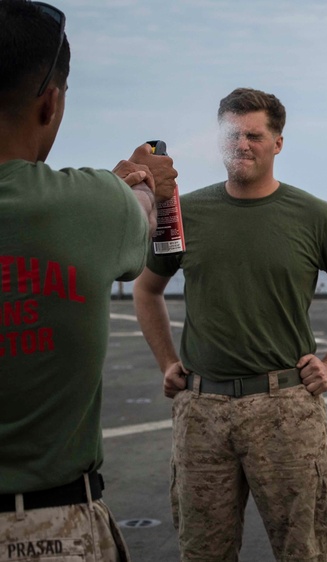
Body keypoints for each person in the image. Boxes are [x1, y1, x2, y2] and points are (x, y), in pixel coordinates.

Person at [132, 88, 327, 561]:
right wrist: (168, 360)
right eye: (232, 135)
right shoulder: (183, 214)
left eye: (254, 135)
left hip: (285, 411)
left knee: (302, 551)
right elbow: (146, 289)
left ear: (278, 143)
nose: (242, 145)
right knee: (201, 552)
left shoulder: (316, 217)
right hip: (202, 412)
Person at [0, 1, 177, 559]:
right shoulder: (95, 204)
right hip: (49, 527)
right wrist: (142, 178)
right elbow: (140, 206)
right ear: (49, 103)